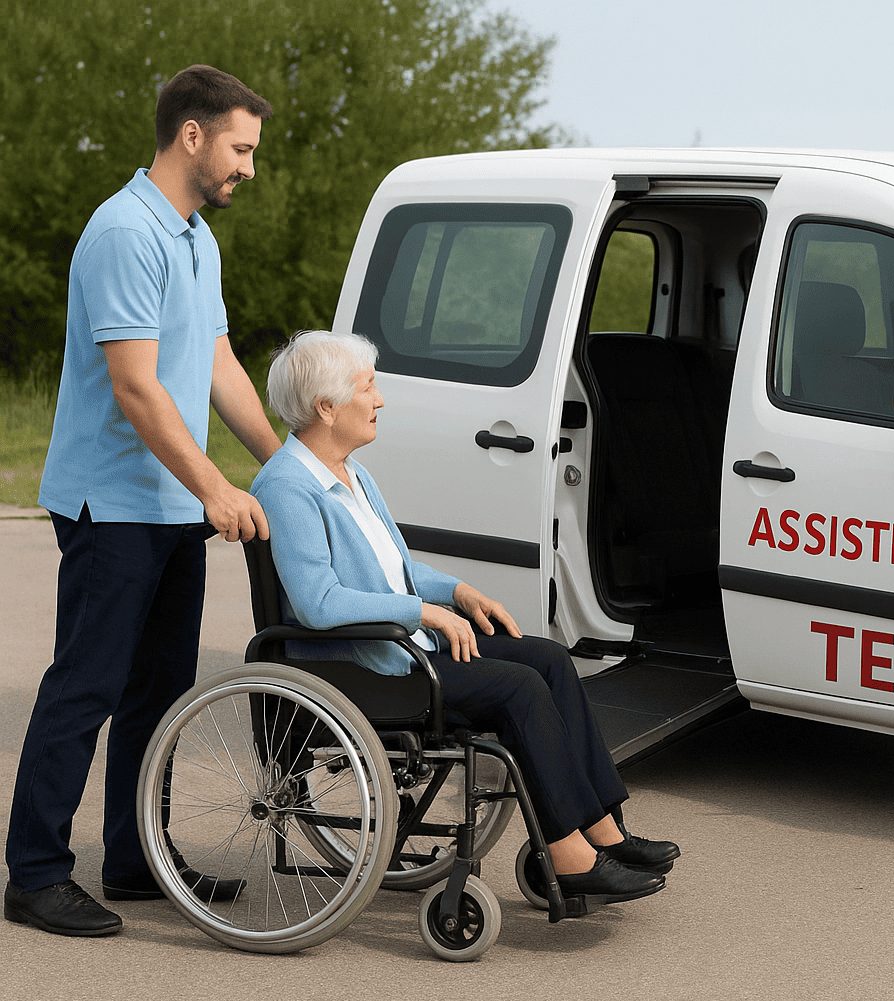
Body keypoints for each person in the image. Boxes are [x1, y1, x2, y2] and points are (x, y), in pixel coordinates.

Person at [249, 330, 679, 903]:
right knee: (519, 688)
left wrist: (457, 591)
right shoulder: (288, 486)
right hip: (363, 667)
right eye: (368, 387)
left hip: (400, 647)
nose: (380, 400)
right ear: (326, 408)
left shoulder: (352, 474)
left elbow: (393, 569)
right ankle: (569, 855)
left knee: (549, 659)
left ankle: (603, 829)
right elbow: (319, 602)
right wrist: (421, 611)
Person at [4, 66, 282, 938]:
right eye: (241, 148)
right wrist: (216, 484)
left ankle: (133, 859)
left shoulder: (196, 236)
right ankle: (37, 872)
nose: (249, 167)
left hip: (168, 506)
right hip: (111, 502)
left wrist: (283, 466)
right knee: (86, 686)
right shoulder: (127, 230)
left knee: (160, 693)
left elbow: (214, 364)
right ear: (192, 135)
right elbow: (137, 388)